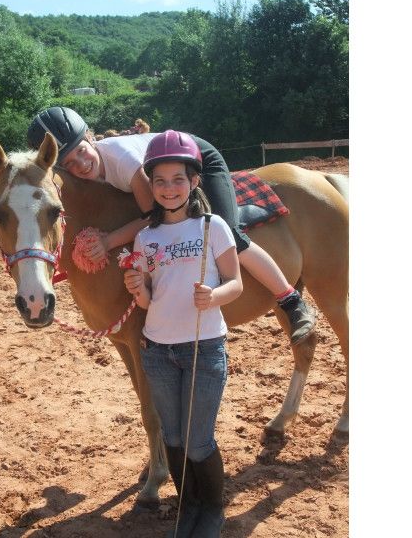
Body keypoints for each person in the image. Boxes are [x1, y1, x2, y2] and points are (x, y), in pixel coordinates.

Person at [26, 106, 316, 345]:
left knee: (231, 233)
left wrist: (108, 241)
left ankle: (289, 300)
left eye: (81, 150)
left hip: (197, 156)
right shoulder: (88, 177)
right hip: (161, 169)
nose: (80, 164)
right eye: (69, 163)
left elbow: (154, 217)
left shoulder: (124, 162)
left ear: (90, 137)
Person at [122, 134, 242, 537]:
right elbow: (148, 302)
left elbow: (236, 283)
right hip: (157, 351)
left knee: (197, 440)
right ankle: (187, 506)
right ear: (151, 186)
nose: (168, 188)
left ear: (193, 182)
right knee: (172, 437)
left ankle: (212, 510)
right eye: (160, 180)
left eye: (177, 179)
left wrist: (214, 297)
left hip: (203, 349)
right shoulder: (146, 238)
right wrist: (139, 289)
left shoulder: (213, 226)